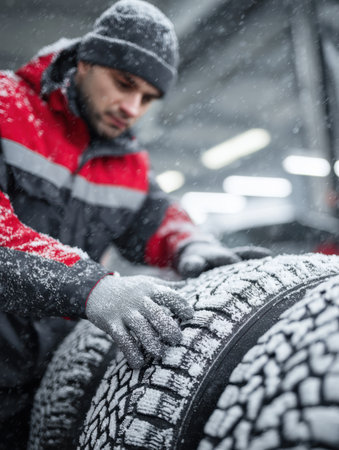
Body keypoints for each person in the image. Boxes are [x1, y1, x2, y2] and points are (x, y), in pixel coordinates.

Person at [0, 0, 270, 446]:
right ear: (85, 62)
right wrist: (91, 287)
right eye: (124, 84)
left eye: (148, 98)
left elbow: (158, 215)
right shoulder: (8, 109)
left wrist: (193, 247)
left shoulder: (125, 160)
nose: (132, 108)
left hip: (42, 381)